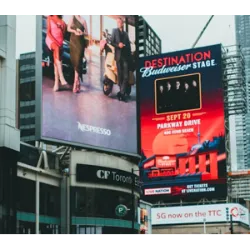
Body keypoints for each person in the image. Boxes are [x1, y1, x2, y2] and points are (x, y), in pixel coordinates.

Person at [46, 15, 70, 92]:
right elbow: (48, 33)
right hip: (51, 39)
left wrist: (62, 28)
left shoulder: (63, 22)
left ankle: (56, 84)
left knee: (57, 61)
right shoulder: (50, 18)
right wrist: (55, 42)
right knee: (56, 49)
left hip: (59, 42)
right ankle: (62, 77)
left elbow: (62, 35)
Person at [111, 17, 132, 102]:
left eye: (120, 22)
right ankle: (122, 94)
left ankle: (121, 93)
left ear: (122, 23)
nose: (119, 23)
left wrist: (130, 55)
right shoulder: (114, 31)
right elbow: (111, 42)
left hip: (125, 57)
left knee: (126, 76)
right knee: (120, 75)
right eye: (117, 22)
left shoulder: (126, 34)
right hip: (118, 56)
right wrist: (118, 45)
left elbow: (128, 46)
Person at [67, 15, 89, 93]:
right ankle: (77, 82)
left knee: (78, 61)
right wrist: (75, 31)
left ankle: (75, 82)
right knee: (75, 62)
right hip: (73, 42)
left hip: (80, 43)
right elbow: (68, 28)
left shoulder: (83, 20)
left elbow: (87, 33)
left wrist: (82, 32)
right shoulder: (72, 18)